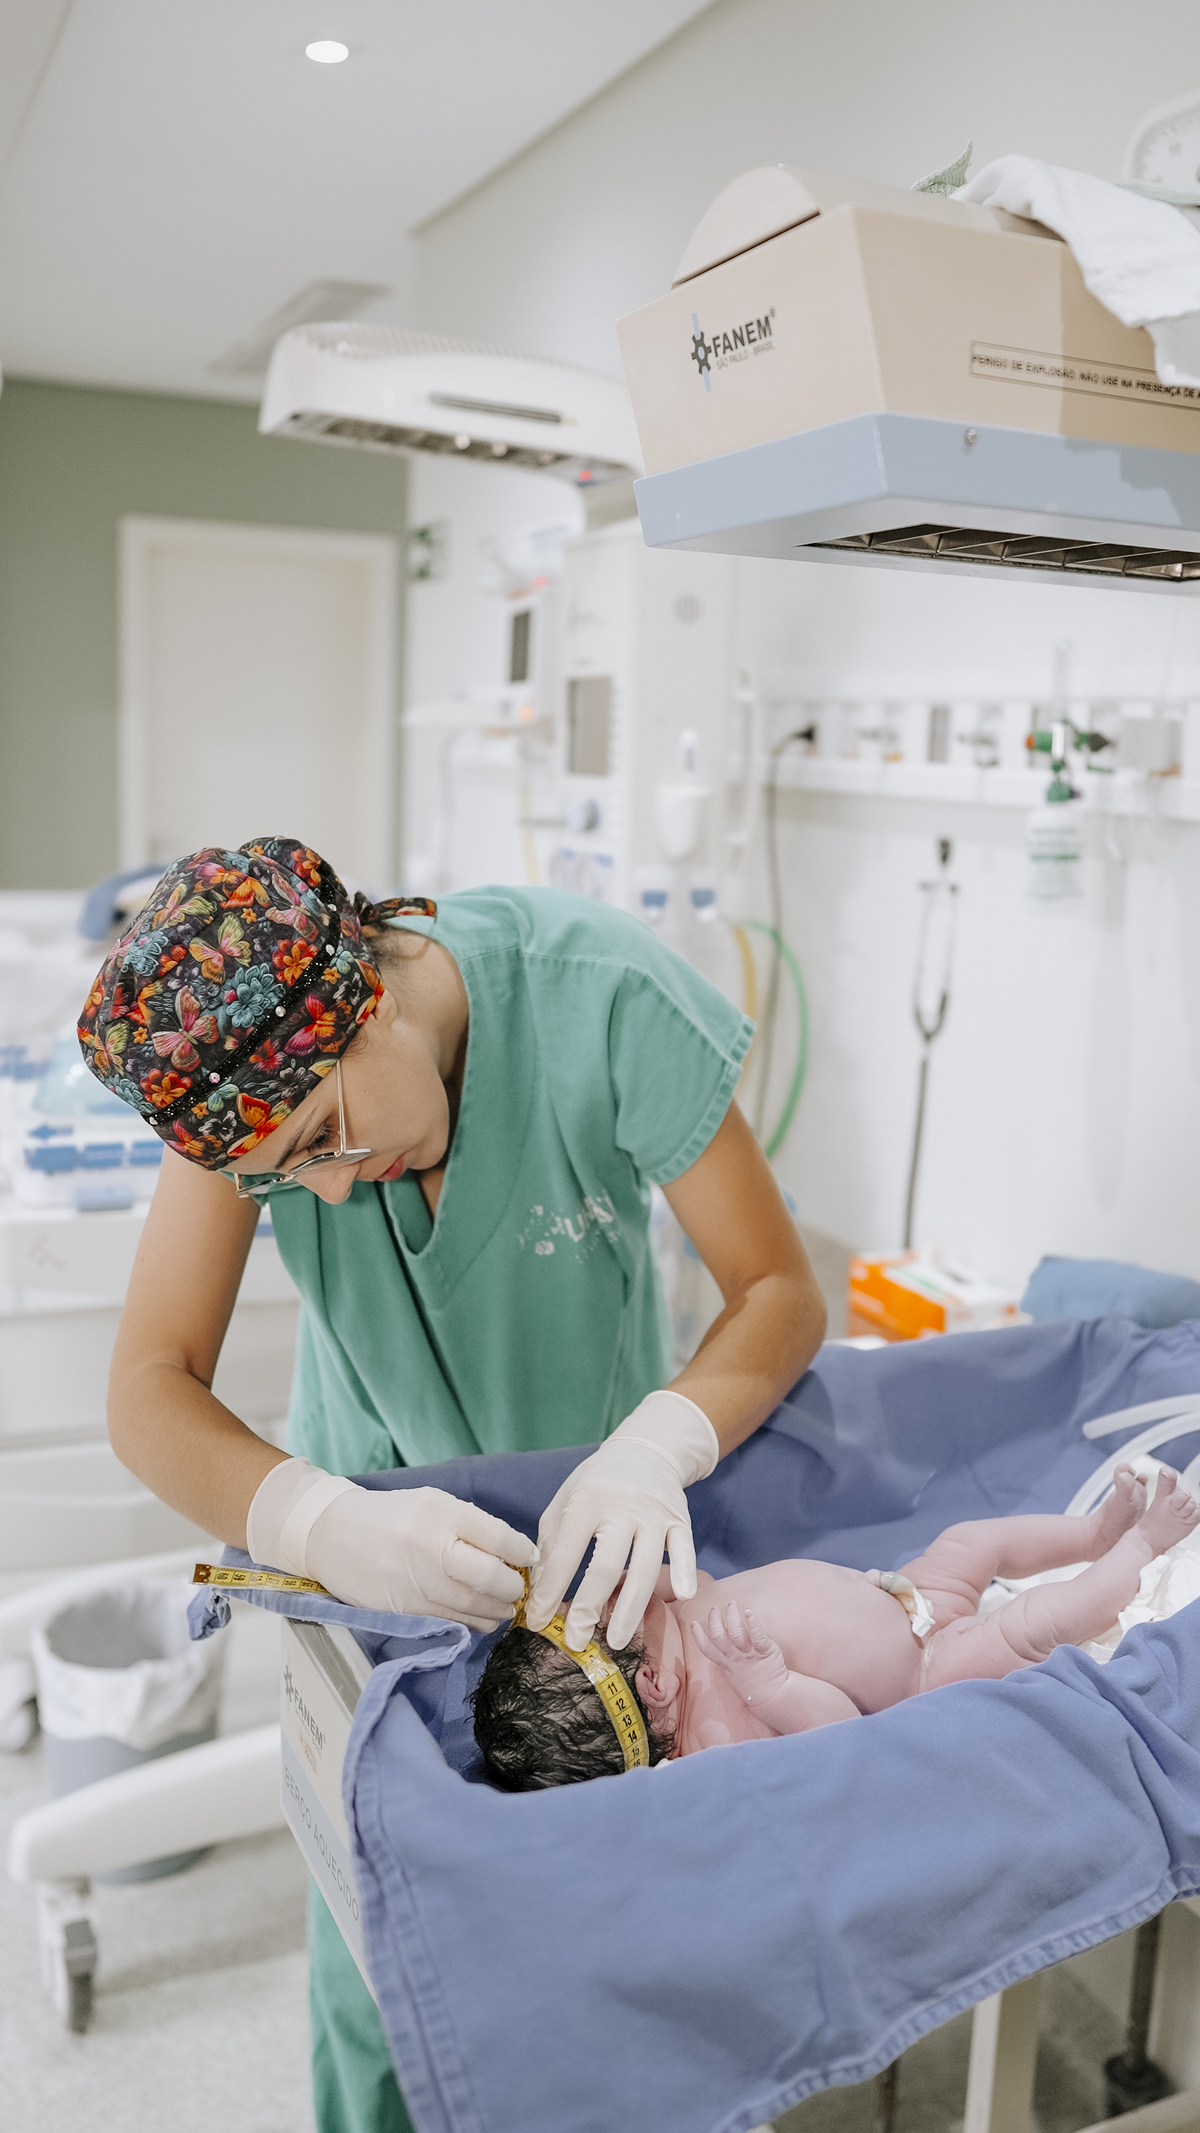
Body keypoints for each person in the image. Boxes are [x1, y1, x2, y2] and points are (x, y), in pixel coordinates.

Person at [78, 835, 826, 2133]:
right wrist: (319, 1521)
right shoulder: (234, 1069)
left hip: (590, 1549)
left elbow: (777, 1289)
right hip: (367, 1558)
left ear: (361, 991)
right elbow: (148, 1386)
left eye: (322, 1137)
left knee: (594, 1949)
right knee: (383, 1960)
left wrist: (657, 1447)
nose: (322, 1189)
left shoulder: (601, 996)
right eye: (275, 1176)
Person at [472, 1462, 1200, 1788]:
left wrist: (637, 1569)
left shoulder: (676, 1621)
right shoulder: (716, 1732)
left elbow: (692, 1583)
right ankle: (1141, 1548)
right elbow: (841, 1734)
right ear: (656, 1687)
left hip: (904, 1593)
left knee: (972, 1540)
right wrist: (773, 1685)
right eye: (604, 1621)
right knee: (1039, 1621)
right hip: (928, 1668)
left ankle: (1094, 1534)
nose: (605, 1602)